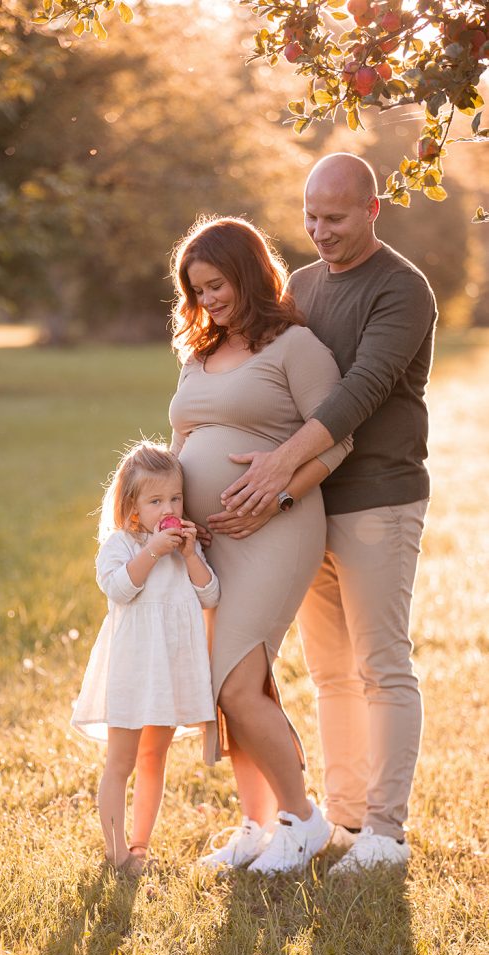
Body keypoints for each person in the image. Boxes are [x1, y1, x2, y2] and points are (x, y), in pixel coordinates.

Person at [207, 153, 437, 873]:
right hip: (302, 513)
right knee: (330, 674)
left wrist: (279, 466)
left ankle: (384, 833)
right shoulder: (301, 285)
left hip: (377, 500)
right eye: (309, 216)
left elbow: (359, 391)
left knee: (381, 665)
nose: (318, 231)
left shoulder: (402, 287)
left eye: (334, 217)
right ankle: (341, 820)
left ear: (371, 209)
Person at [168, 216, 353, 874]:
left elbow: (336, 438)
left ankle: (304, 821)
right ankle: (255, 825)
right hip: (206, 546)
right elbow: (183, 442)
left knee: (235, 684)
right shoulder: (199, 353)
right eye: (196, 292)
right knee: (231, 684)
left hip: (276, 530)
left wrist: (275, 495)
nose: (207, 301)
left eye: (216, 285)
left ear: (247, 273)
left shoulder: (294, 346)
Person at [71, 441, 220, 876]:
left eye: (175, 498)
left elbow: (210, 595)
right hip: (133, 670)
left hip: (170, 670)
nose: (168, 507)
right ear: (132, 506)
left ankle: (140, 847)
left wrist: (190, 555)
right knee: (121, 761)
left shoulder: (183, 548)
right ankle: (115, 851)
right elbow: (119, 589)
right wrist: (152, 550)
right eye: (156, 500)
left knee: (155, 756)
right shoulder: (121, 545)